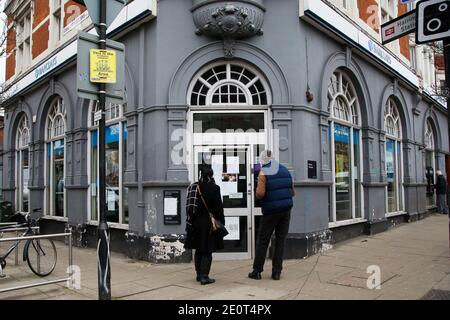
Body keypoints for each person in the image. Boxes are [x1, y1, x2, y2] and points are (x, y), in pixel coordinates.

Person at [248, 150, 294, 281]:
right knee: (280, 241)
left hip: (271, 211)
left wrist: (257, 193)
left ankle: (257, 271)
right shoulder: (285, 170)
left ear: (263, 160)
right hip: (286, 210)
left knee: (263, 241)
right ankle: (277, 272)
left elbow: (260, 193)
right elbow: (293, 191)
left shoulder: (263, 172)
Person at [184, 167, 225, 285]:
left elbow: (189, 208)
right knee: (207, 250)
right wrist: (221, 223)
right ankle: (204, 276)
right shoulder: (214, 188)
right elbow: (219, 209)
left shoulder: (193, 187)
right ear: (211, 176)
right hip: (208, 224)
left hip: (196, 223)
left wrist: (190, 223)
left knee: (198, 249)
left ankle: (198, 274)